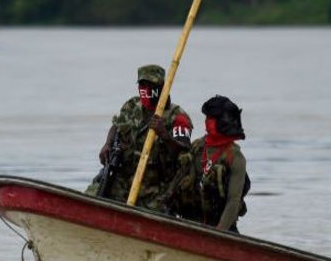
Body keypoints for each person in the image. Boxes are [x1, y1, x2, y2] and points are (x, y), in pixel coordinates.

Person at [86, 64, 192, 208]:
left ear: (162, 87)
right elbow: (117, 125)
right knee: (91, 197)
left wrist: (165, 135)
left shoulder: (178, 117)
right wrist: (107, 144)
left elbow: (183, 152)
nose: (146, 89)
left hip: (153, 187)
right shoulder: (132, 105)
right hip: (121, 178)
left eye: (151, 85)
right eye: (142, 84)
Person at [162, 95, 250, 232]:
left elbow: (233, 201)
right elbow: (179, 177)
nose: (207, 122)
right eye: (207, 118)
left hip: (221, 227)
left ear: (224, 122)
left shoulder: (235, 158)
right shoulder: (198, 147)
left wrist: (218, 233)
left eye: (212, 119)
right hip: (191, 223)